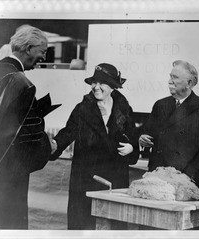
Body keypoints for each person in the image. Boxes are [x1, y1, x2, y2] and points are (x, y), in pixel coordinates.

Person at [0, 26, 57, 229]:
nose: (44, 56)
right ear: (29, 49)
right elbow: (26, 140)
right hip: (7, 176)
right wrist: (48, 145)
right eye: (43, 50)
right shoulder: (22, 83)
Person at [50, 63, 139, 230]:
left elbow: (133, 138)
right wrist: (54, 145)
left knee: (114, 226)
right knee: (84, 224)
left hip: (115, 178)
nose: (96, 87)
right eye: (94, 82)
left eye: (102, 83)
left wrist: (131, 148)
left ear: (113, 86)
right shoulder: (82, 109)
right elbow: (68, 132)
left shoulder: (125, 109)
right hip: (86, 178)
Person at [138, 60, 199, 193]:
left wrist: (187, 177)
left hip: (187, 182)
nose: (169, 81)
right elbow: (148, 135)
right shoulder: (160, 105)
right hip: (158, 178)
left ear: (189, 83)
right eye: (170, 76)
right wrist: (142, 139)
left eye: (174, 77)